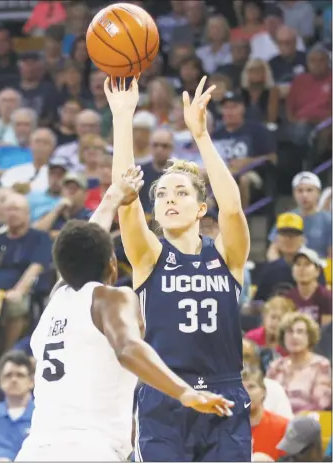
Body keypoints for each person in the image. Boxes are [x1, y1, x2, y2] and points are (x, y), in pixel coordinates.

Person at [15, 167, 233, 462]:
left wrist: (112, 198)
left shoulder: (56, 302)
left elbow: (82, 247)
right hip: (88, 450)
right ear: (112, 265)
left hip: (34, 450)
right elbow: (128, 348)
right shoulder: (112, 297)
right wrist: (186, 393)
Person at [105, 75, 251, 462]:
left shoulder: (227, 256)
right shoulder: (149, 257)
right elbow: (125, 203)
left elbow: (233, 208)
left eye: (181, 192)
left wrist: (201, 136)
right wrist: (123, 119)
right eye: (162, 194)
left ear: (202, 208)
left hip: (225, 391)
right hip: (164, 394)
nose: (169, 198)